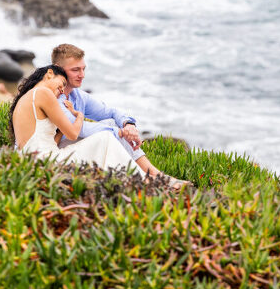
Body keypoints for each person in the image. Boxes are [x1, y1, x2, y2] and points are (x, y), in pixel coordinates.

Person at [51, 43, 189, 186]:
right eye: (75, 70)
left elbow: (110, 111)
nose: (82, 75)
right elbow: (79, 129)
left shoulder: (77, 95)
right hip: (59, 152)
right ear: (58, 69)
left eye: (83, 69)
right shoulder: (54, 97)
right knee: (111, 129)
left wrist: (128, 125)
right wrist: (120, 133)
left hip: (77, 146)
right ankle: (153, 178)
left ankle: (155, 175)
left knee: (112, 122)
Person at [8, 65, 144, 176]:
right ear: (49, 73)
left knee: (101, 141)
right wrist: (78, 115)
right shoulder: (43, 93)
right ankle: (140, 181)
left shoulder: (25, 99)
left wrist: (60, 130)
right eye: (62, 84)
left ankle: (131, 179)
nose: (62, 91)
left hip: (34, 163)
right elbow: (73, 133)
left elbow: (47, 143)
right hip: (48, 162)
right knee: (105, 139)